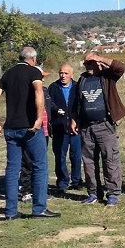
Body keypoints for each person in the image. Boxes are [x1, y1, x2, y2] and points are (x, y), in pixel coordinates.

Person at [0, 46, 60, 219]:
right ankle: (39, 208)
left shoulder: (8, 74)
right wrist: (39, 118)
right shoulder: (34, 72)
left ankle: (11, 212)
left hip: (11, 128)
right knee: (40, 166)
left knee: (12, 169)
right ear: (33, 59)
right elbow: (38, 91)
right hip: (30, 128)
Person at [71, 52, 125, 207]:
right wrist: (74, 119)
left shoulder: (107, 77)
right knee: (88, 162)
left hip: (105, 125)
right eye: (86, 63)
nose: (88, 66)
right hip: (86, 127)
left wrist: (100, 58)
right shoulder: (82, 79)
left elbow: (121, 67)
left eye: (90, 62)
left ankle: (113, 194)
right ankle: (93, 193)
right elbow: (77, 102)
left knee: (110, 160)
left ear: (97, 62)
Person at [19, 65, 52, 202]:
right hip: (32, 131)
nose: (42, 79)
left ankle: (39, 191)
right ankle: (26, 190)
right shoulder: (27, 93)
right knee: (27, 162)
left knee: (40, 163)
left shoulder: (44, 90)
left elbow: (49, 107)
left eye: (43, 77)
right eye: (41, 77)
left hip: (44, 131)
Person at [49, 62, 83, 192]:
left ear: (72, 75)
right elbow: (49, 103)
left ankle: (77, 181)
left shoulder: (77, 87)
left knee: (76, 156)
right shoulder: (53, 87)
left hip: (75, 129)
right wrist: (56, 109)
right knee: (60, 156)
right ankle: (62, 182)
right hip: (59, 128)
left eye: (66, 73)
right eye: (61, 73)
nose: (63, 76)